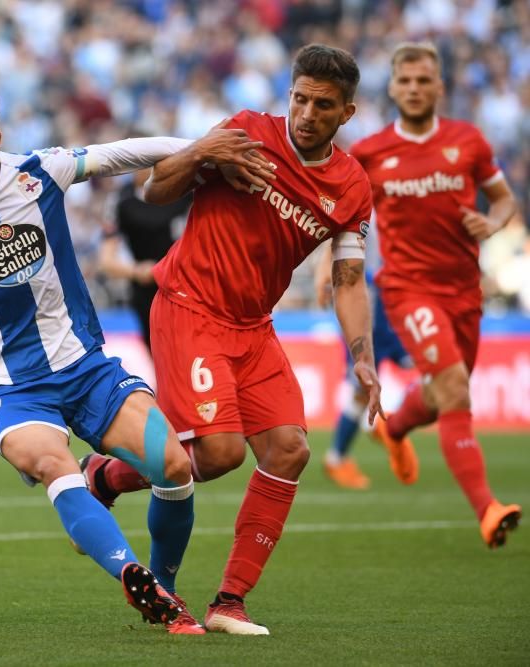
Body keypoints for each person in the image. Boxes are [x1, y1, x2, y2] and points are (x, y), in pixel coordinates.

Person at [0, 75, 274, 634]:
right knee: (54, 463)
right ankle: (133, 578)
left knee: (173, 465)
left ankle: (166, 593)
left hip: (85, 369)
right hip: (9, 387)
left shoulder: (38, 172)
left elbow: (120, 154)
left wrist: (199, 148)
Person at [81, 44, 383, 635]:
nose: (306, 113)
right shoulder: (245, 131)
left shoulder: (350, 186)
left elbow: (349, 281)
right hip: (190, 307)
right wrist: (201, 150)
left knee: (290, 450)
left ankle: (229, 601)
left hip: (253, 328)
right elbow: (154, 191)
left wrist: (363, 359)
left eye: (323, 105)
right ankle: (109, 479)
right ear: (289, 93)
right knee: (218, 454)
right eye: (299, 98)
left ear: (346, 113)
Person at [352, 42, 520, 547]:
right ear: (394, 87)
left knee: (444, 389)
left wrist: (493, 223)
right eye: (405, 81)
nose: (415, 89)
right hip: (407, 289)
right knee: (454, 388)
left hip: (465, 292)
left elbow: (505, 198)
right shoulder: (371, 151)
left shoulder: (468, 141)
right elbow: (343, 214)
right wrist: (328, 270)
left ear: (439, 86)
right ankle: (487, 509)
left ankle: (395, 427)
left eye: (424, 80)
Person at [313, 238, 413, 490]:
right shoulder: (367, 205)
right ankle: (343, 454)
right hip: (366, 297)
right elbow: (341, 233)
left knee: (428, 364)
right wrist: (326, 267)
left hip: (392, 299)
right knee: (362, 386)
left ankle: (388, 429)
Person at [98, 168, 190, 351]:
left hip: (185, 285)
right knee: (159, 353)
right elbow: (106, 261)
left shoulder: (186, 190)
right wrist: (137, 271)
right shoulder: (120, 200)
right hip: (147, 291)